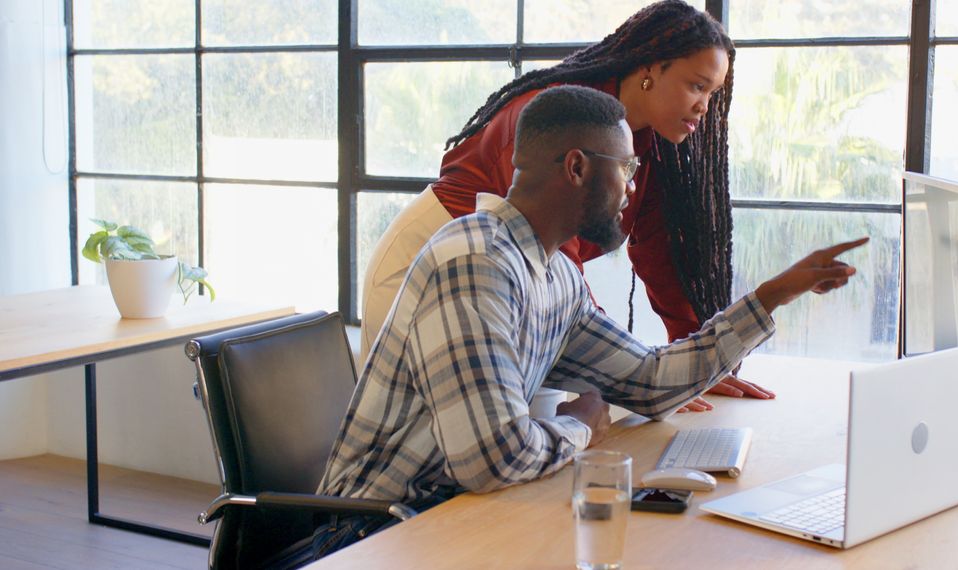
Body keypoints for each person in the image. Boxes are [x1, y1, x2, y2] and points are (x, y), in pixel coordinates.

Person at [313, 85, 867, 559]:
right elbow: (492, 458)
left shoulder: (554, 273)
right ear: (577, 167)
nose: (632, 186)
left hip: (453, 513)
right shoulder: (475, 263)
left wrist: (771, 297)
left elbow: (649, 382)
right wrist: (583, 426)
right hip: (372, 534)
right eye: (625, 167)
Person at [360, 0, 764, 415]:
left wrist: (697, 365)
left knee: (530, 445)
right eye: (697, 86)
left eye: (713, 93)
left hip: (512, 287)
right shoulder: (558, 118)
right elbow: (560, 259)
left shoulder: (651, 146)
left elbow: (662, 252)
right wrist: (629, 375)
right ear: (649, 70)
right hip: (429, 269)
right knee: (452, 450)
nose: (705, 106)